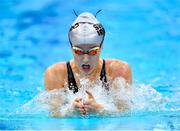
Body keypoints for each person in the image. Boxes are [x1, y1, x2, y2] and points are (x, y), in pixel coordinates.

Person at [44, 11, 132, 117]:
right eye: (79, 51)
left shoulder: (118, 70)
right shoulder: (56, 73)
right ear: (71, 48)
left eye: (93, 51)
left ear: (101, 47)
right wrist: (70, 112)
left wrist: (100, 110)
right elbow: (53, 115)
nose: (85, 59)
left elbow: (125, 114)